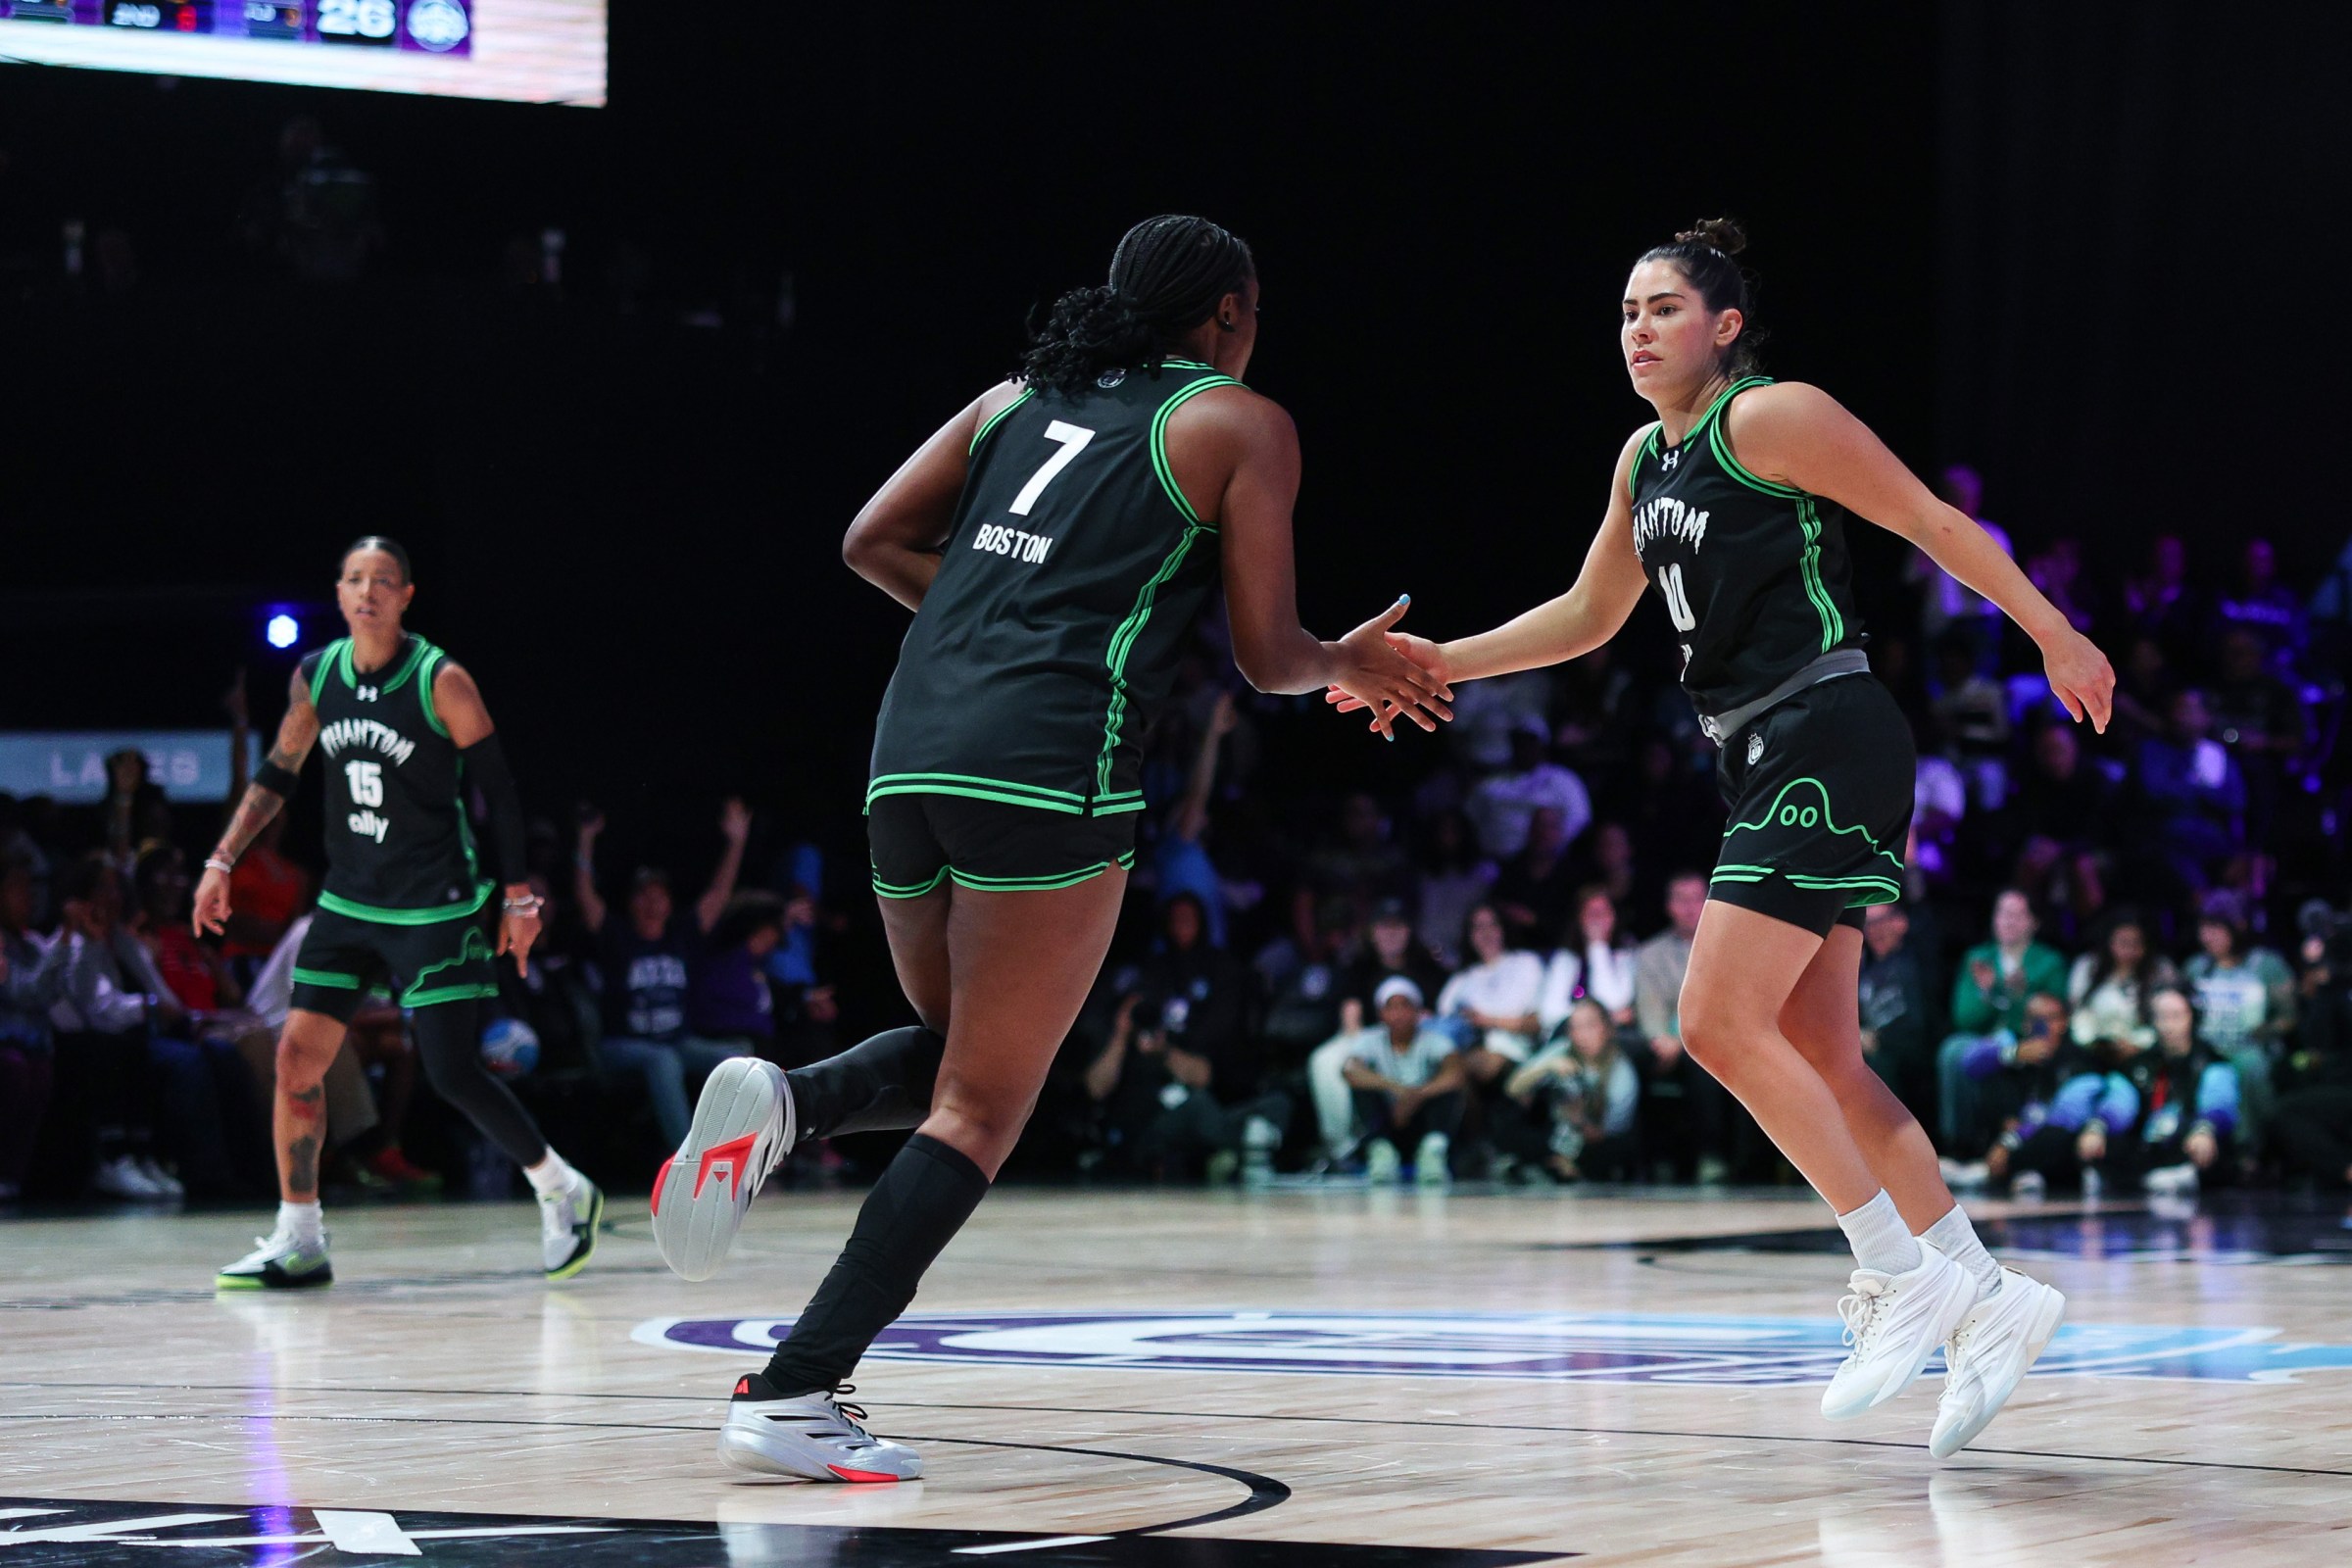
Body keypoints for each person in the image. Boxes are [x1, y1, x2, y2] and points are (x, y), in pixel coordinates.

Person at [647, 216, 1446, 1482]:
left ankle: (794, 1102)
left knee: (966, 1047)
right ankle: (797, 1387)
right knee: (984, 1102)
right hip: (1047, 761)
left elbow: (869, 541)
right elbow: (1266, 652)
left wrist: (1003, 618)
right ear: (1230, 315)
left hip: (908, 751)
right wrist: (1348, 660)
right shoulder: (1241, 425)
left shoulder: (1019, 397)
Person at [1334, 219, 2111, 1457]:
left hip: (1828, 728)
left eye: (1663, 309)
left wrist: (2052, 631)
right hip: (1758, 751)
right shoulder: (1646, 458)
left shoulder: (1771, 418)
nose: (1638, 331)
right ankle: (1988, 1295)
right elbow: (1591, 615)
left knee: (1710, 1019)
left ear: (1726, 326)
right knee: (1823, 1051)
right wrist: (1438, 662)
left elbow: (1926, 520)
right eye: (1627, 313)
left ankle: (1894, 1269)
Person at [193, 536, 601, 1290]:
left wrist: (517, 897)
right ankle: (300, 1235)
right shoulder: (317, 675)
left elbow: (501, 794)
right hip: (350, 899)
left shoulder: (441, 678)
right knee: (296, 1058)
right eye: (355, 579)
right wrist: (221, 860)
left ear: (407, 595)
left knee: (452, 1073)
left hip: (435, 904)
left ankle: (561, 1187)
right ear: (340, 593)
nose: (368, 592)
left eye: (384, 580)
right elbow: (278, 773)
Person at [573, 800, 757, 1151]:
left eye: (659, 895)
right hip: (621, 1044)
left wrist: (737, 841)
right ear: (631, 902)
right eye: (644, 894)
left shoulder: (681, 935)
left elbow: (719, 893)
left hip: (677, 1040)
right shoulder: (616, 936)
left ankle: (740, 1150)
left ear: (670, 903)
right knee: (663, 1061)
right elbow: (585, 896)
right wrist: (585, 839)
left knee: (737, 1056)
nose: (652, 902)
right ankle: (688, 1156)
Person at [1936, 890, 2069, 1150]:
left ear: (2034, 922)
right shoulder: (1978, 958)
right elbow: (1964, 1017)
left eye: (2017, 915)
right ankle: (1958, 1142)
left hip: (2026, 1038)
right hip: (1984, 1038)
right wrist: (1988, 993)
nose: (2008, 921)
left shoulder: (2048, 962)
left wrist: (2016, 996)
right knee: (1952, 1051)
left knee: (1992, 1051)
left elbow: (2051, 1014)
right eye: (2003, 913)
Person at [1338, 976, 1467, 1185]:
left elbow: (1457, 1073)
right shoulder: (1370, 1039)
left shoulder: (1434, 1040)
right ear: (1381, 1014)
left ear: (1418, 1012)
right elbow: (1350, 1070)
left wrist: (1417, 1096)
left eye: (1405, 1006)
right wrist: (1397, 1089)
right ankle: (1381, 1153)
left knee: (1449, 1091)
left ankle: (1433, 1153)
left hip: (1422, 1123)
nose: (1399, 1014)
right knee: (1362, 1087)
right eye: (1391, 1007)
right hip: (1388, 1123)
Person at [1506, 996, 1641, 1183]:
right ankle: (1551, 1165)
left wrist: (1579, 1118)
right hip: (1554, 1132)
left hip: (1592, 1139)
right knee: (1512, 1119)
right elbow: (1512, 1088)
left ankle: (1560, 1168)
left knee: (1614, 1150)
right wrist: (1547, 1067)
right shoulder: (1562, 1050)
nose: (1582, 1035)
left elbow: (1611, 1132)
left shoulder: (1621, 1074)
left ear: (1607, 1028)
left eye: (1590, 1026)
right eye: (1575, 1027)